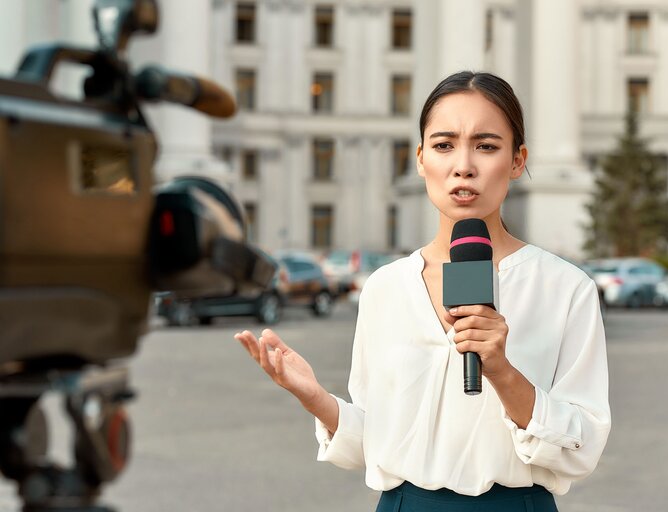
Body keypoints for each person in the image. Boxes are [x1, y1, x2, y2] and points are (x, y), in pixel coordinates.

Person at [234, 71, 611, 511]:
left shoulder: (565, 288)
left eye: (486, 146)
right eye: (444, 144)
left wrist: (502, 371)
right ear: (420, 159)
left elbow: (582, 447)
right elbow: (376, 441)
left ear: (517, 160)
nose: (463, 165)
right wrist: (315, 398)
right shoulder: (385, 288)